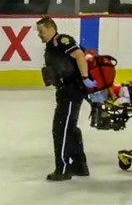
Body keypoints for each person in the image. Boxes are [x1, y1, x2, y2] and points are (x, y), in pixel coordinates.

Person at [36, 16, 96, 181]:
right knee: (70, 128)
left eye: (41, 31)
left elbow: (80, 55)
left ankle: (62, 169)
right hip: (65, 91)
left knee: (61, 129)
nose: (39, 35)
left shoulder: (62, 40)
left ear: (50, 29)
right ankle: (79, 166)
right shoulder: (51, 46)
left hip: (71, 91)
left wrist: (85, 78)